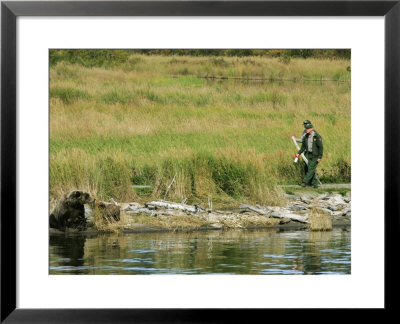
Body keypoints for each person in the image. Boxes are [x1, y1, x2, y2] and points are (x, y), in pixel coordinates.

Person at [294, 121, 323, 188]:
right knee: (308, 168)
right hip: (308, 154)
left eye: (307, 129)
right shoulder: (306, 136)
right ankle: (314, 184)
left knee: (311, 169)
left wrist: (320, 157)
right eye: (306, 128)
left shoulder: (316, 136)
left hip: (315, 155)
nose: (306, 130)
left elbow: (321, 147)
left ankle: (304, 182)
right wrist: (298, 154)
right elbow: (303, 146)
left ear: (311, 129)